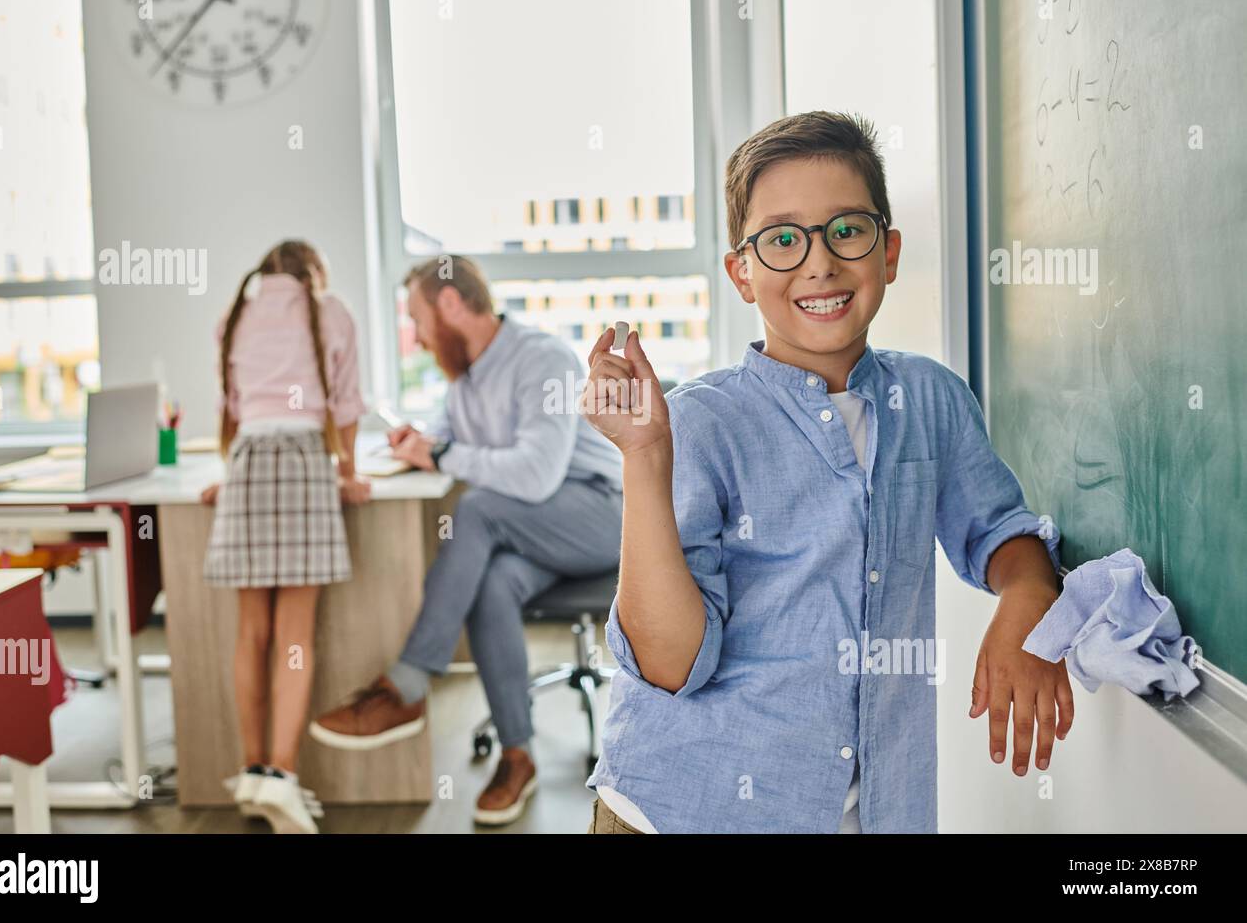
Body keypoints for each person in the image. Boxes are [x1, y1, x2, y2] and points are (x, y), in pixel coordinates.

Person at [579, 111, 1069, 833]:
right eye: (782, 239)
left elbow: (999, 530)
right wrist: (646, 458)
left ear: (889, 251)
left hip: (867, 812)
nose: (818, 262)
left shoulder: (929, 398)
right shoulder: (696, 423)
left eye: (847, 229)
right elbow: (670, 663)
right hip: (681, 809)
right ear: (741, 273)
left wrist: (1028, 591)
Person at [310, 255, 624, 827]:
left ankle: (405, 685)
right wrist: (422, 442)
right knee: (491, 584)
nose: (418, 334)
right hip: (533, 533)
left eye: (418, 318)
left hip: (603, 516)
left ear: (450, 306)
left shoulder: (542, 358)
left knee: (475, 510)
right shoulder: (465, 380)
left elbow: (536, 475)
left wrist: (442, 454)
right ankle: (517, 754)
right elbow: (449, 439)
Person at [201, 240, 372, 834]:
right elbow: (345, 406)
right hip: (302, 461)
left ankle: (251, 774)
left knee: (251, 633)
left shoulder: (235, 317)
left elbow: (235, 407)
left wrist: (228, 479)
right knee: (295, 636)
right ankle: (281, 777)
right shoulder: (333, 312)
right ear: (312, 275)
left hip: (247, 462)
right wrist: (347, 471)